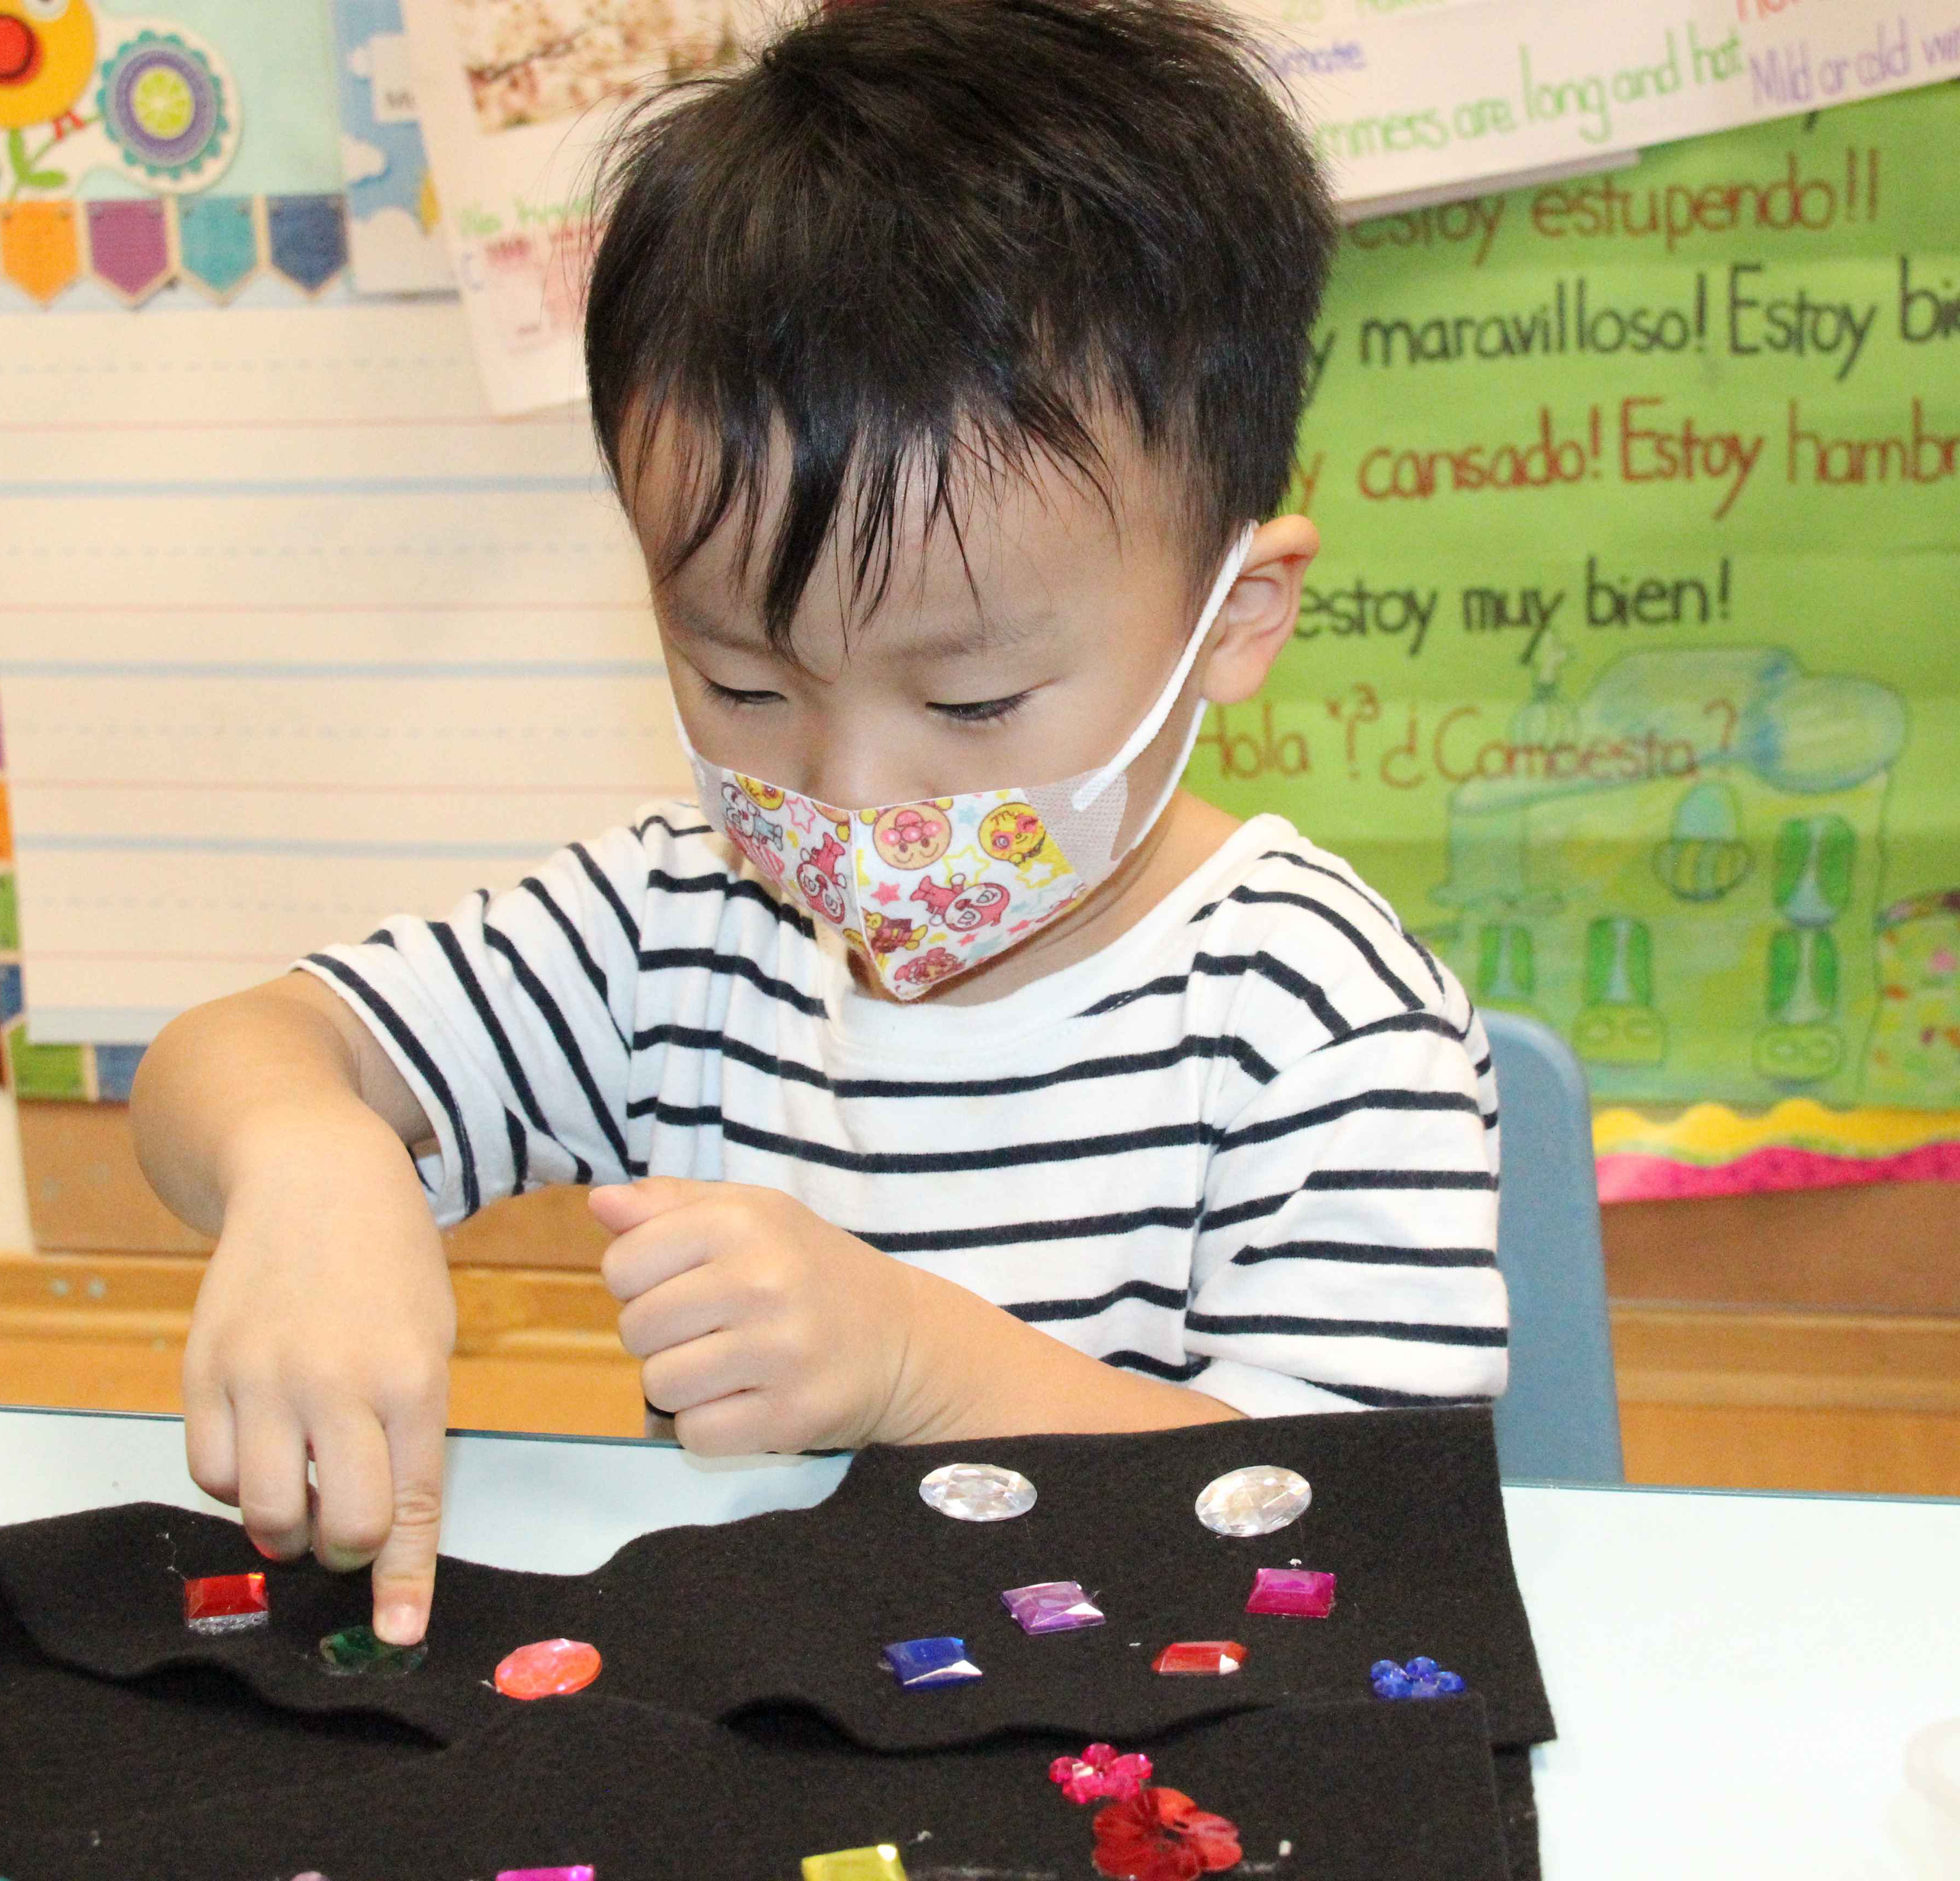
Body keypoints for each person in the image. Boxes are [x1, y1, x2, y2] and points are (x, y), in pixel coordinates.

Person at [132, 0, 1508, 1649]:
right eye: (744, 684)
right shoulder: (683, 929)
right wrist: (303, 1157)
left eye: (973, 702)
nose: (851, 803)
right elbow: (239, 1051)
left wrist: (922, 1368)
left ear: (1234, 617)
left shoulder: (1318, 1016)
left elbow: (1363, 1537)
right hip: (781, 1706)